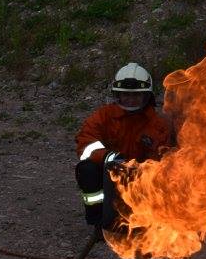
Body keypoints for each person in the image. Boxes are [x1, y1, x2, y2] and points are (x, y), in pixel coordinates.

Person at [74, 62, 175, 227]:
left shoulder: (158, 125)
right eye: (125, 95)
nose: (130, 99)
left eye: (136, 95)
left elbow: (162, 162)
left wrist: (139, 170)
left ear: (146, 96)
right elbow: (85, 143)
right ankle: (98, 220)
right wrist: (108, 157)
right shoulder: (104, 116)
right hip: (107, 175)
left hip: (139, 181)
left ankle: (143, 220)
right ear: (117, 95)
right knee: (87, 169)